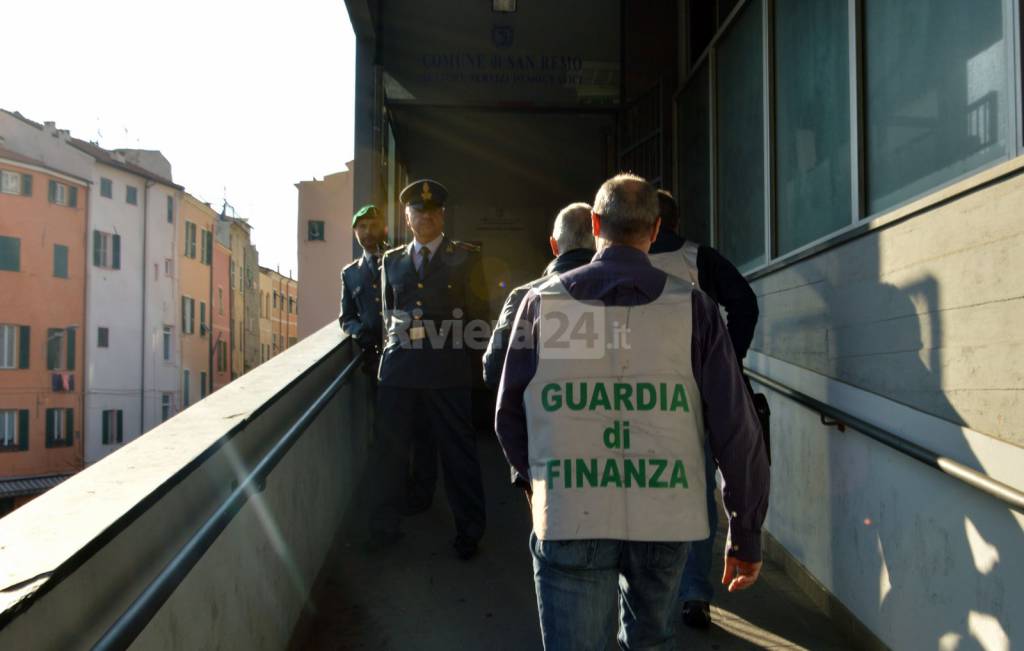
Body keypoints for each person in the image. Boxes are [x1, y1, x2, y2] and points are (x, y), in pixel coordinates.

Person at [495, 173, 769, 650]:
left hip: (570, 511)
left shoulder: (542, 304)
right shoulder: (696, 309)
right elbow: (737, 431)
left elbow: (509, 414)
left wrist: (538, 480)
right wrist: (745, 531)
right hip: (664, 516)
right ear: (656, 228)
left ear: (595, 222)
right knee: (649, 640)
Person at [647, 189, 761, 630]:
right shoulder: (699, 258)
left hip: (636, 396)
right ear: (675, 220)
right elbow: (745, 304)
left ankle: (652, 588)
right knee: (695, 490)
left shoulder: (618, 259)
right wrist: (727, 362)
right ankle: (694, 591)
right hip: (693, 393)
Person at [367, 179, 489, 560]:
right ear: (407, 217)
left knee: (458, 454)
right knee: (389, 453)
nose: (426, 218)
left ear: (443, 215)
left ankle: (469, 531)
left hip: (446, 369)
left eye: (433, 211)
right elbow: (389, 313)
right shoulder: (392, 260)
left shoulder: (466, 257)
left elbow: (478, 318)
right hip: (400, 370)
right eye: (418, 212)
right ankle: (383, 526)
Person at [340, 204, 437, 515]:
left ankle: (421, 495)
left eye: (373, 225)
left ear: (385, 229)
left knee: (422, 430)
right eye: (362, 227)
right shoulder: (351, 273)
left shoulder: (398, 261)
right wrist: (359, 332)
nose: (368, 233)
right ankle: (393, 497)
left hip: (410, 358)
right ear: (355, 233)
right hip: (374, 364)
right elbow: (346, 317)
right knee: (387, 435)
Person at [482, 202, 595, 390]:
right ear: (600, 240)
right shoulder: (623, 292)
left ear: (554, 245)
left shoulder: (523, 296)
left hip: (539, 415)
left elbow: (493, 371)